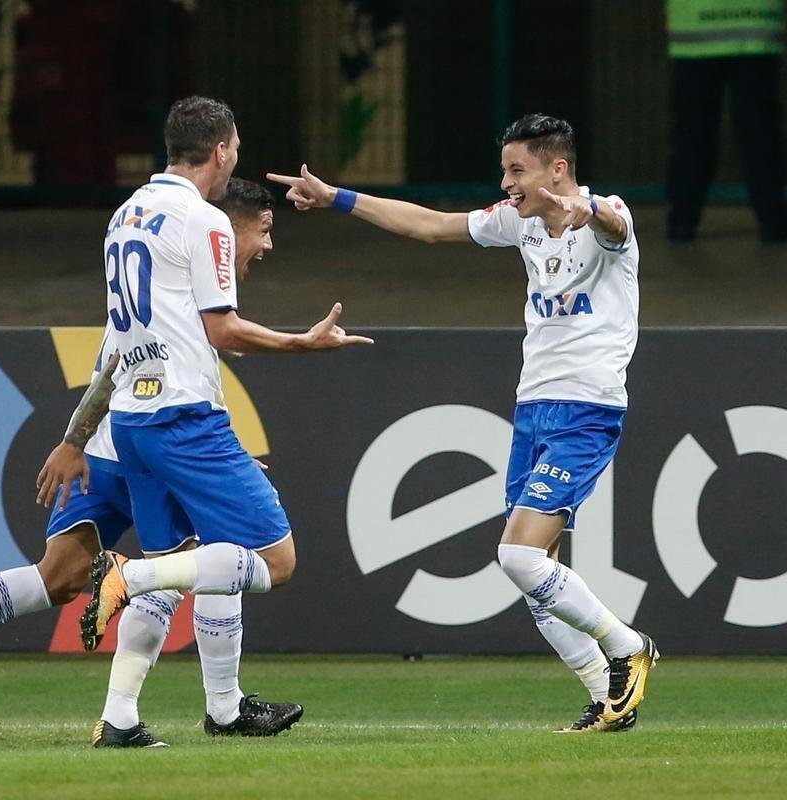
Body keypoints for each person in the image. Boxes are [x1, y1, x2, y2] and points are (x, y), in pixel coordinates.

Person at [0, 177, 303, 750]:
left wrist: (73, 440)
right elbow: (166, 384)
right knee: (189, 563)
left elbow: (112, 363)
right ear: (224, 225)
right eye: (263, 230)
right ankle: (190, 710)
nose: (265, 247)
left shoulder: (152, 278)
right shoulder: (197, 271)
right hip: (143, 447)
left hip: (107, 443)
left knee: (59, 577)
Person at [267, 113, 658, 733]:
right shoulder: (520, 223)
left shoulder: (608, 217)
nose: (506, 183)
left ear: (557, 169)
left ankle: (628, 647)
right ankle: (606, 696)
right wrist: (335, 196)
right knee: (538, 574)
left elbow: (612, 222)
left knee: (518, 558)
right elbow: (429, 226)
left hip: (587, 408)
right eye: (504, 169)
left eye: (516, 170)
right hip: (533, 407)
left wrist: (589, 215)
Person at [83, 97, 373, 712]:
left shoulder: (125, 212)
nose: (235, 155)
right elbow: (224, 328)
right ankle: (123, 575)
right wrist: (303, 342)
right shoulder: (205, 219)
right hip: (184, 418)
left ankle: (129, 716)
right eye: (235, 147)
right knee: (275, 560)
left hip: (131, 418)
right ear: (220, 151)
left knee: (186, 568)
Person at [665, 0, 787, 243]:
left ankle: (682, 221)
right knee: (761, 135)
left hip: (694, 26)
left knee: (692, 135)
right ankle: (774, 220)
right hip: (755, 25)